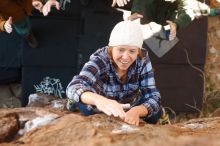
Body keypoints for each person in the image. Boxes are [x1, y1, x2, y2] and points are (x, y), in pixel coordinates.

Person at [66, 21, 164, 126]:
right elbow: (73, 86)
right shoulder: (101, 59)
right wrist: (100, 101)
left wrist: (136, 111)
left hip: (129, 105)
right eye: (121, 50)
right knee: (87, 110)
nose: (126, 57)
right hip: (100, 104)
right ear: (111, 49)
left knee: (156, 113)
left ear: (138, 51)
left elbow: (153, 95)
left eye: (132, 51)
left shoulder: (142, 59)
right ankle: (75, 103)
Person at [128, 0, 220, 41]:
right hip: (149, 15)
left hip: (170, 17)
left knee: (194, 9)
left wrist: (177, 24)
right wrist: (136, 11)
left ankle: (211, 11)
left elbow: (187, 11)